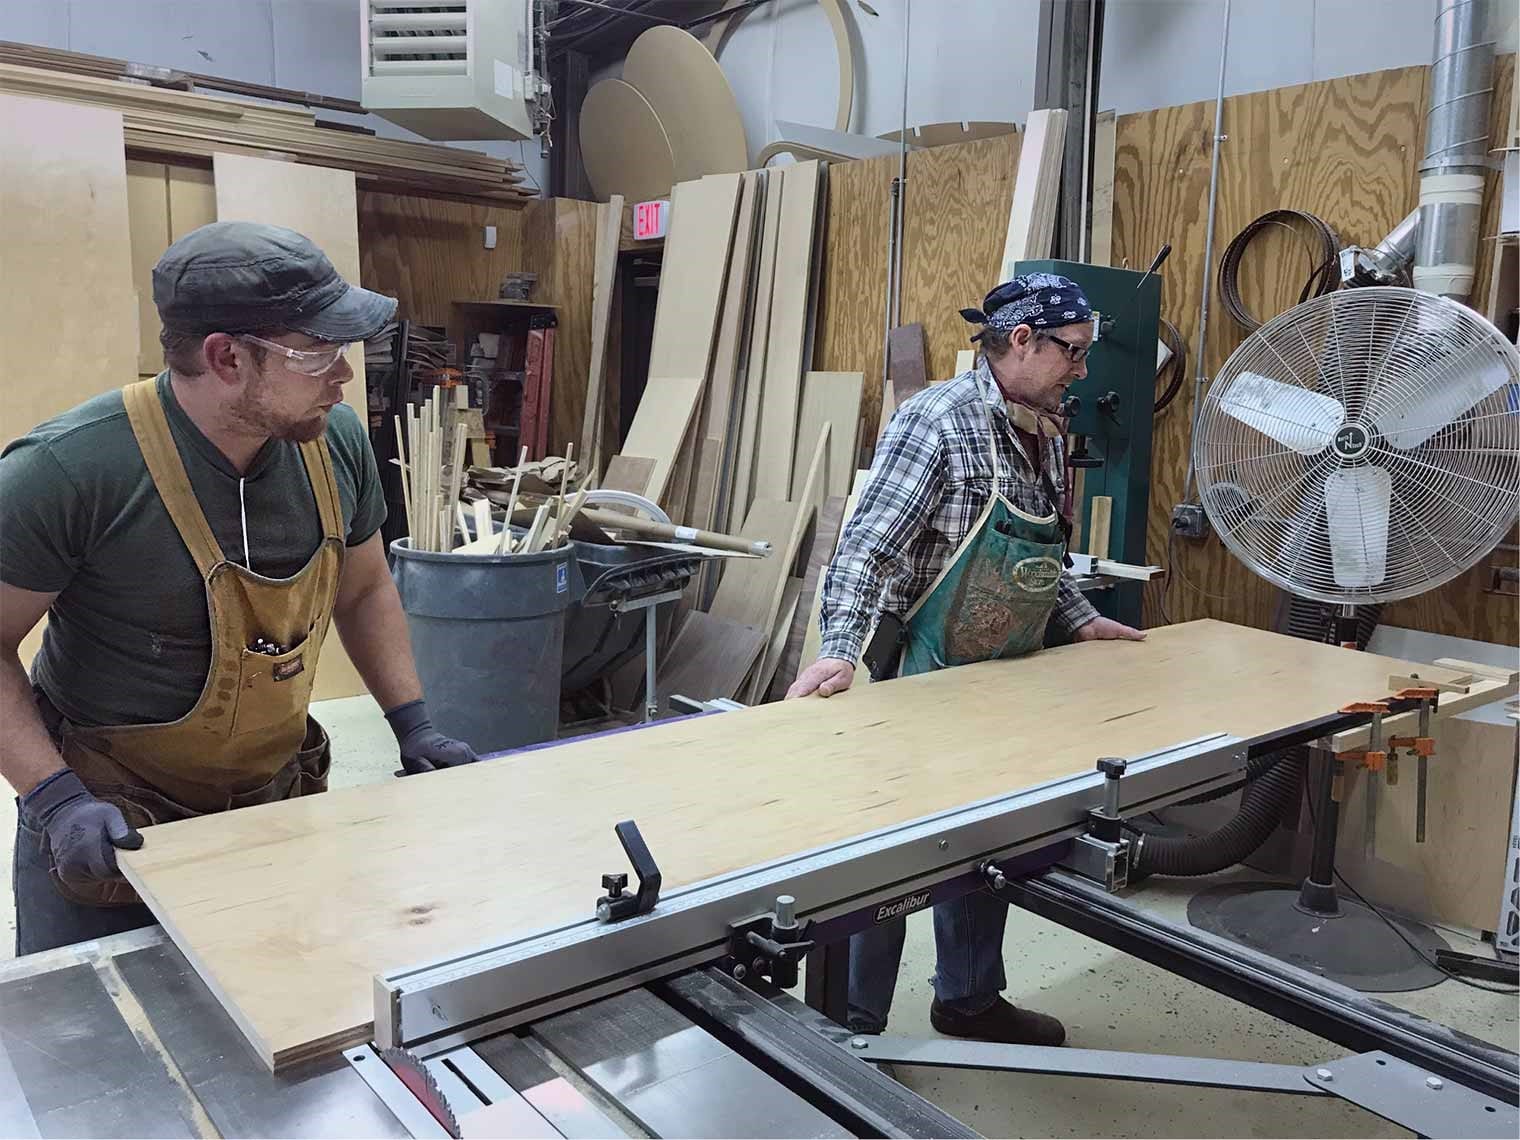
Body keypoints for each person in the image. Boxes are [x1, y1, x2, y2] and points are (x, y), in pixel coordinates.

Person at [1, 222, 480, 956]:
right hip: (108, 827)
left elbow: (364, 590)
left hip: (271, 809)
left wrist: (411, 723)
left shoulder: (335, 443)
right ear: (226, 357)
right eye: (318, 353)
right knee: (103, 1050)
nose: (343, 376)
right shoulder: (69, 471)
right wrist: (54, 799)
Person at [787, 273, 1145, 1046]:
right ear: (1021, 340)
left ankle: (969, 1002)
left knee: (993, 844)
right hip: (920, 670)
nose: (1081, 371)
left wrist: (1081, 620)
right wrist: (842, 651)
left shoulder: (1045, 421)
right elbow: (867, 550)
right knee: (890, 860)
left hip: (1004, 678)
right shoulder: (939, 423)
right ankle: (852, 1032)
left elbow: (1041, 555)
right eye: (1072, 354)